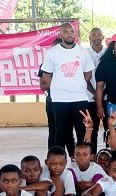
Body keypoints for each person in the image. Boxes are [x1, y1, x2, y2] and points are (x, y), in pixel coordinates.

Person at [40, 23, 94, 157]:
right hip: (60, 100)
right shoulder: (52, 53)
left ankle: (84, 161)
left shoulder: (83, 52)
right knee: (60, 133)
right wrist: (59, 87)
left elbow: (88, 74)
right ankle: (59, 163)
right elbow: (46, 76)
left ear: (75, 33)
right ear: (60, 34)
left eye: (71, 32)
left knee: (82, 131)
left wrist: (78, 85)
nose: (69, 34)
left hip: (80, 99)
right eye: (66, 32)